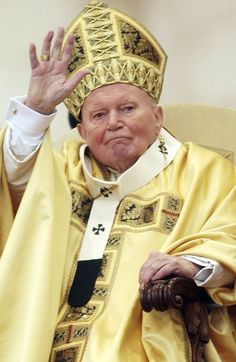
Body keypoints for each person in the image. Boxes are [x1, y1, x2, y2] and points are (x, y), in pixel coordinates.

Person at [0, 1, 236, 361]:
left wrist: (193, 265)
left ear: (157, 117)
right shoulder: (62, 170)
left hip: (144, 336)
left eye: (127, 108)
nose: (113, 122)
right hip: (43, 334)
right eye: (98, 114)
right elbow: (15, 184)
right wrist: (36, 111)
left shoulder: (202, 170)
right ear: (81, 131)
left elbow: (230, 237)